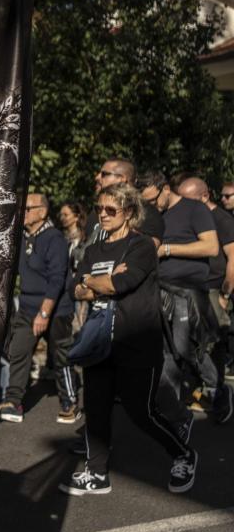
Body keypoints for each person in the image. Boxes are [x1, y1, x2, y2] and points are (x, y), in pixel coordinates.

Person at [62, 183, 197, 495]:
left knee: (141, 411)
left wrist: (94, 282)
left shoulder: (141, 247)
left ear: (129, 213)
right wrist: (97, 282)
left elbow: (121, 283)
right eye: (100, 209)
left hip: (135, 339)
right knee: (96, 409)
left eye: (112, 210)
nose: (104, 215)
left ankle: (183, 454)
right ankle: (96, 473)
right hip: (99, 340)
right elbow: (75, 288)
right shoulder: (94, 249)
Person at [0, 193, 80, 424]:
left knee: (61, 355)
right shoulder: (23, 237)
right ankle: (13, 401)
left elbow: (57, 279)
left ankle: (69, 401)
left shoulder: (54, 238)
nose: (22, 212)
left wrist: (44, 313)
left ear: (42, 212)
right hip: (27, 306)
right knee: (19, 350)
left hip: (55, 309)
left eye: (27, 208)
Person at [156, 172, 220, 442]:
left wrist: (167, 249)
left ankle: (217, 387)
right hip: (161, 291)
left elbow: (213, 248)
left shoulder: (196, 210)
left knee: (185, 348)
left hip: (189, 291)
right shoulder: (157, 215)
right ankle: (175, 412)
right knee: (168, 352)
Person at [177, 176, 234, 422]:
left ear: (204, 196)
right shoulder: (190, 217)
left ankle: (218, 393)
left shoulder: (221, 219)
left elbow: (233, 258)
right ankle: (207, 389)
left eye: (187, 200)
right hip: (191, 288)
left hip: (213, 289)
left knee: (212, 343)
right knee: (191, 343)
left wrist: (224, 294)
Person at [88, 159, 163, 245]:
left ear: (121, 179)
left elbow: (149, 249)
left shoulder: (146, 212)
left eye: (104, 174)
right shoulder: (96, 212)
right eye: (99, 209)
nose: (97, 177)